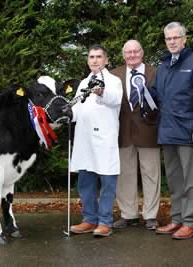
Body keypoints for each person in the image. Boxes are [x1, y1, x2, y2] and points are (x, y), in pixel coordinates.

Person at [153, 22, 193, 239]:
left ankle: (190, 222)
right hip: (168, 132)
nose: (172, 42)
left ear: (185, 38)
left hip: (189, 133)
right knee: (175, 180)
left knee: (190, 181)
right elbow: (156, 96)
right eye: (168, 38)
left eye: (176, 37)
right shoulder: (163, 66)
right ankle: (177, 219)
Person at [70, 44, 123, 237]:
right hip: (85, 141)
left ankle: (105, 222)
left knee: (107, 183)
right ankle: (89, 219)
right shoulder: (83, 82)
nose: (95, 60)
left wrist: (101, 92)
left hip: (104, 140)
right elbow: (76, 109)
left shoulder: (114, 81)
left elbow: (116, 100)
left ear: (106, 60)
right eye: (91, 57)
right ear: (88, 61)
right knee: (85, 183)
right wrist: (66, 113)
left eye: (99, 57)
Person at [111, 40, 161, 230]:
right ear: (123, 55)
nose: (132, 55)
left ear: (142, 52)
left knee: (151, 174)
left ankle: (150, 215)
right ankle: (128, 214)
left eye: (135, 51)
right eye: (128, 52)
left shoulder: (155, 73)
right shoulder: (113, 75)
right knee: (125, 175)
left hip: (149, 131)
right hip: (123, 132)